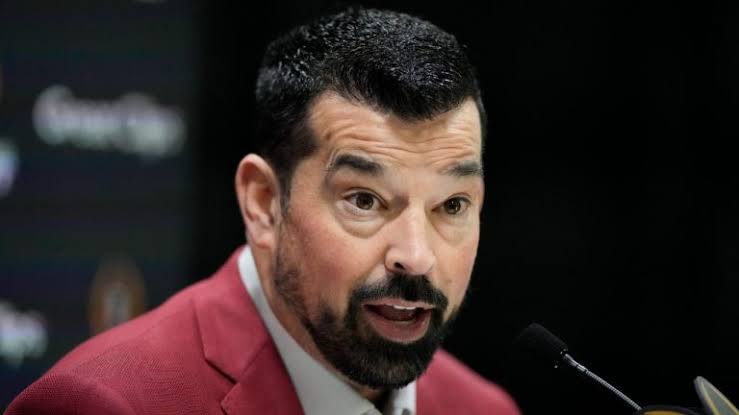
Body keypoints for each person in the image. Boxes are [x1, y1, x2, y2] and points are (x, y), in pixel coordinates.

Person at [6, 8, 520, 415]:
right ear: (264, 203)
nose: (416, 256)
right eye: (364, 200)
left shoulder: (483, 409)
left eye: (452, 205)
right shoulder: (105, 404)